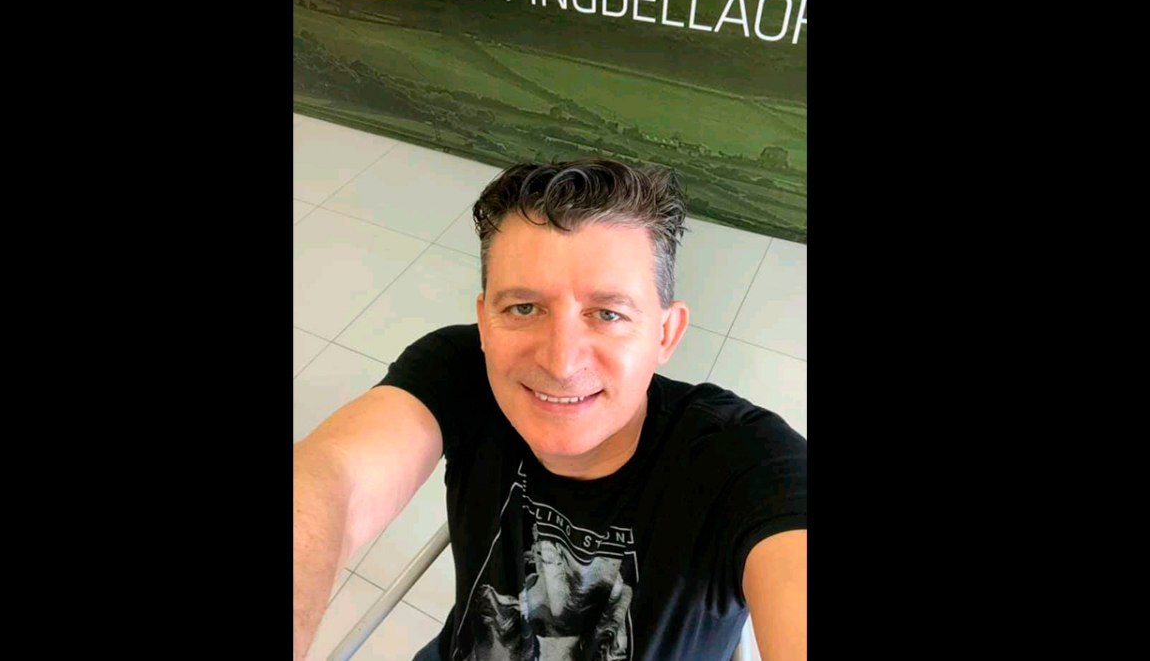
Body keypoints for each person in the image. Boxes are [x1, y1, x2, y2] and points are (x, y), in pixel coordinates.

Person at [293, 160, 807, 661]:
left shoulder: (744, 460)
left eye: (608, 314)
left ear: (665, 334)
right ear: (484, 322)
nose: (561, 363)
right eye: (523, 308)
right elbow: (332, 480)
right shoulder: (459, 370)